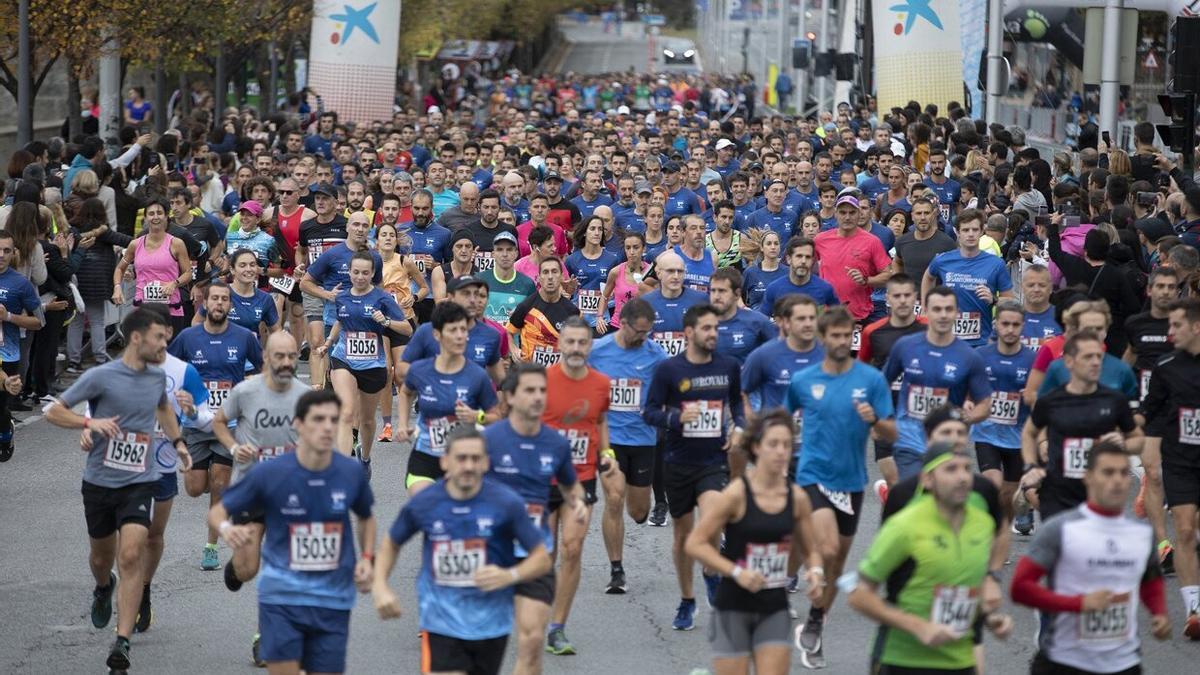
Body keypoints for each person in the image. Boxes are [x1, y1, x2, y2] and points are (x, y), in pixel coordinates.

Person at [45, 308, 193, 672]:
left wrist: (178, 443)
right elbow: (53, 411)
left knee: (130, 556)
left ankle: (122, 641)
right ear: (137, 338)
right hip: (99, 482)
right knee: (101, 559)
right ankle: (101, 587)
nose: (165, 343)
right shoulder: (102, 377)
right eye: (159, 336)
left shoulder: (157, 379)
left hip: (139, 481)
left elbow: (163, 409)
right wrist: (89, 421)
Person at [210, 389, 376, 675]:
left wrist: (367, 559)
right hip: (281, 598)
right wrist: (227, 529)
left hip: (332, 600)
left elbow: (366, 517)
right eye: (318, 419)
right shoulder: (270, 473)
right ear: (298, 424)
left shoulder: (350, 472)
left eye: (333, 420)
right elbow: (218, 511)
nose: (326, 427)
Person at [373, 428, 553, 675]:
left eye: (475, 459)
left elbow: (542, 558)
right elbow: (391, 543)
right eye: (461, 458)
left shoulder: (507, 503)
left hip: (491, 626)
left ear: (487, 462)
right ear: (445, 461)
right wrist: (380, 586)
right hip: (440, 623)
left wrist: (509, 576)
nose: (468, 466)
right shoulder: (426, 503)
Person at [786, 306, 896, 669]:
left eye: (845, 336)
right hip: (812, 474)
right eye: (832, 336)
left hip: (851, 481)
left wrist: (875, 421)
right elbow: (783, 424)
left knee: (838, 561)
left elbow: (891, 433)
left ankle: (816, 621)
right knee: (828, 546)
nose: (839, 342)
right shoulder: (804, 380)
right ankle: (800, 574)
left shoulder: (871, 380)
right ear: (821, 339)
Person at [848, 442, 1013, 674]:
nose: (963, 477)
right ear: (927, 480)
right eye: (950, 469)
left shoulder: (982, 524)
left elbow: (962, 586)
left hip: (961, 662)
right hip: (904, 661)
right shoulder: (904, 526)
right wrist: (919, 627)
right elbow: (858, 595)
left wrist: (989, 617)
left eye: (967, 468)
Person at [685, 409, 824, 675]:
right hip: (733, 607)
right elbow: (696, 543)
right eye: (773, 444)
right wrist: (736, 572)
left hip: (774, 606)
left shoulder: (797, 498)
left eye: (787, 445)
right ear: (757, 447)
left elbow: (811, 548)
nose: (781, 451)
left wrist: (815, 573)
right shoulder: (736, 494)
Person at [1011, 441, 1171, 672]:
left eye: (1124, 473)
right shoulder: (1060, 529)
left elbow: (1151, 580)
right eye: (1107, 472)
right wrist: (1079, 604)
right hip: (1065, 661)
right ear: (1088, 477)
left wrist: (1159, 613)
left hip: (1124, 663)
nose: (1117, 480)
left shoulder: (1141, 535)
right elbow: (1020, 587)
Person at [644, 303, 746, 630]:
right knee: (683, 536)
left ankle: (711, 572)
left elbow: (736, 405)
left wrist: (739, 428)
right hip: (677, 461)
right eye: (706, 329)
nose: (713, 334)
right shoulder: (669, 370)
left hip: (713, 461)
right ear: (689, 333)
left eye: (716, 328)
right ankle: (687, 599)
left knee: (713, 520)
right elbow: (649, 412)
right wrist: (675, 417)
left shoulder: (729, 366)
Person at [208, 331, 307, 665]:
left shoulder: (306, 397)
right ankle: (236, 569)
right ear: (265, 357)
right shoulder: (246, 391)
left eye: (292, 356)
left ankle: (266, 635)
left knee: (279, 567)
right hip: (250, 489)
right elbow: (220, 422)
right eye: (279, 356)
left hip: (289, 494)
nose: (286, 363)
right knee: (249, 568)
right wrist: (235, 447)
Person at [483, 363, 587, 675]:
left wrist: (578, 501)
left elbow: (571, 485)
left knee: (531, 642)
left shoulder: (555, 443)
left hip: (534, 555)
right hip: (490, 553)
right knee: (482, 651)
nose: (539, 396)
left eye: (543, 390)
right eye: (530, 390)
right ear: (510, 397)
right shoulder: (489, 440)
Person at [168, 282, 263, 570]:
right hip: (195, 424)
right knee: (196, 488)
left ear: (230, 306)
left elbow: (261, 371)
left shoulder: (244, 337)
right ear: (205, 304)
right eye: (215, 299)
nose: (220, 304)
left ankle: (211, 546)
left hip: (227, 424)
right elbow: (170, 372)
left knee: (221, 482)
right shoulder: (188, 337)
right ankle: (207, 475)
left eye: (225, 299)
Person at [542, 317, 616, 654]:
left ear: (590, 346)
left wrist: (607, 454)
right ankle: (537, 615)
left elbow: (599, 421)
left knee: (572, 549)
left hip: (580, 479)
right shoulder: (541, 381)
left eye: (581, 343)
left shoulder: (601, 384)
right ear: (559, 344)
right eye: (569, 342)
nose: (574, 349)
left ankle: (558, 626)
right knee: (546, 555)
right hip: (542, 480)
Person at [588, 298, 668, 593]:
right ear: (622, 324)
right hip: (609, 439)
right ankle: (617, 569)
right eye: (639, 332)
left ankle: (644, 510)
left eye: (648, 332)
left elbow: (668, 388)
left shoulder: (656, 355)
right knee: (614, 497)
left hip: (644, 439)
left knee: (637, 511)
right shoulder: (598, 351)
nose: (643, 338)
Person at [1020, 330, 1142, 521]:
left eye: (1098, 356)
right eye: (1087, 357)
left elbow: (1137, 440)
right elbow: (1029, 433)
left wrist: (1123, 444)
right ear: (1069, 361)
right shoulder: (1051, 400)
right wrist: (1031, 466)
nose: (1095, 362)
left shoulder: (1114, 399)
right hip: (1058, 492)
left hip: (1098, 492)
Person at [883, 287, 992, 480]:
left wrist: (966, 419)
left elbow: (985, 404)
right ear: (925, 310)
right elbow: (882, 383)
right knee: (915, 494)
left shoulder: (969, 357)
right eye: (937, 309)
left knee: (941, 500)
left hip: (948, 443)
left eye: (948, 309)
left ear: (957, 313)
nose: (943, 315)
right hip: (909, 440)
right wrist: (885, 419)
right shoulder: (905, 346)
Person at [314, 252, 406, 474]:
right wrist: (328, 343)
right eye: (356, 272)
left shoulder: (383, 298)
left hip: (372, 366)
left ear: (373, 273)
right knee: (346, 412)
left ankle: (364, 458)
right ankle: (343, 469)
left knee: (366, 421)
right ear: (350, 272)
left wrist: (386, 321)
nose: (360, 277)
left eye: (365, 273)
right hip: (343, 358)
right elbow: (340, 321)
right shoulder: (342, 296)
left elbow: (407, 328)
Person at [1142, 296, 1200, 637]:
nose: (1170, 331)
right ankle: (1194, 609)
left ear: (1196, 327)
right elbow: (1150, 411)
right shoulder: (1166, 366)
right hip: (1179, 460)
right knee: (1186, 531)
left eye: (1176, 325)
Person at [399, 301, 500, 493]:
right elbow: (405, 392)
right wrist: (403, 424)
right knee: (426, 507)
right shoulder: (420, 370)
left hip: (465, 461)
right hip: (426, 456)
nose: (461, 336)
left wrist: (477, 417)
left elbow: (497, 417)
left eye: (463, 330)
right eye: (453, 330)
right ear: (437, 335)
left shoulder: (477, 376)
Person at [857, 274, 926, 497]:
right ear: (888, 298)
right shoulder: (873, 332)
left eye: (907, 295)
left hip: (920, 414)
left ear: (915, 297)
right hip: (886, 414)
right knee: (896, 481)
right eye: (897, 296)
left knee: (921, 483)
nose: (903, 301)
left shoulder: (928, 329)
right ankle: (892, 495)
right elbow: (862, 370)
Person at [970, 300, 1035, 519]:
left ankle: (1001, 534)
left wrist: (1032, 396)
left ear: (1023, 326)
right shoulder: (980, 355)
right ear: (996, 324)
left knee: (1008, 495)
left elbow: (1040, 401)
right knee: (992, 484)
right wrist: (969, 403)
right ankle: (988, 530)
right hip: (986, 433)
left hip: (1017, 437)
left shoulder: (1032, 360)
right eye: (1005, 324)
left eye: (1015, 325)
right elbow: (967, 388)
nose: (1010, 329)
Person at [921, 209, 1013, 346]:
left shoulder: (996, 264)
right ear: (957, 233)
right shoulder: (943, 260)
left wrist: (994, 300)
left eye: (975, 229)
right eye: (965, 230)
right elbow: (928, 277)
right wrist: (925, 308)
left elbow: (1011, 302)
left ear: (982, 231)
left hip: (981, 342)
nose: (970, 234)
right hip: (948, 340)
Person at [112, 198, 193, 334]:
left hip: (170, 308)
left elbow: (188, 273)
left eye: (159, 213)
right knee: (145, 353)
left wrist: (174, 284)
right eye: (151, 213)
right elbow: (120, 268)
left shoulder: (176, 244)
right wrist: (117, 287)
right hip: (143, 308)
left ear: (166, 216)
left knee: (169, 352)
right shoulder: (135, 244)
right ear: (145, 218)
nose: (155, 217)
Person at [813, 194, 893, 321]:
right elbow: (807, 267)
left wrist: (866, 280)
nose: (847, 217)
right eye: (843, 212)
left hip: (861, 315)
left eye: (852, 212)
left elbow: (888, 276)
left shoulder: (872, 241)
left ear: (859, 214)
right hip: (828, 316)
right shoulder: (820, 240)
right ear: (835, 214)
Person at [0, 229, 43, 460]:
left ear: (13, 253)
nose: (1, 255)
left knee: (0, 409)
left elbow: (39, 321)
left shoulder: (21, 284)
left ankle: (6, 433)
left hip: (7, 355)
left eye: (7, 250)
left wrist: (9, 317)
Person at [507, 256, 581, 366]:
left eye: (554, 272)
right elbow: (508, 332)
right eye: (545, 272)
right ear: (539, 278)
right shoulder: (526, 306)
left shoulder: (573, 312)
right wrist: (513, 350)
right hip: (530, 373)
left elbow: (580, 342)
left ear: (561, 277)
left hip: (558, 375)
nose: (550, 277)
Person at [710, 267, 776, 365]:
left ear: (737, 294)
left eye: (722, 291)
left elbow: (778, 355)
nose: (716, 296)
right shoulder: (700, 322)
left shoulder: (758, 322)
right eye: (713, 290)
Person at [759, 236, 838, 317]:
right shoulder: (773, 289)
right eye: (799, 256)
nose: (803, 261)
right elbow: (762, 323)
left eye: (807, 257)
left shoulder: (825, 288)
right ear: (789, 259)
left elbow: (840, 320)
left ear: (812, 260)